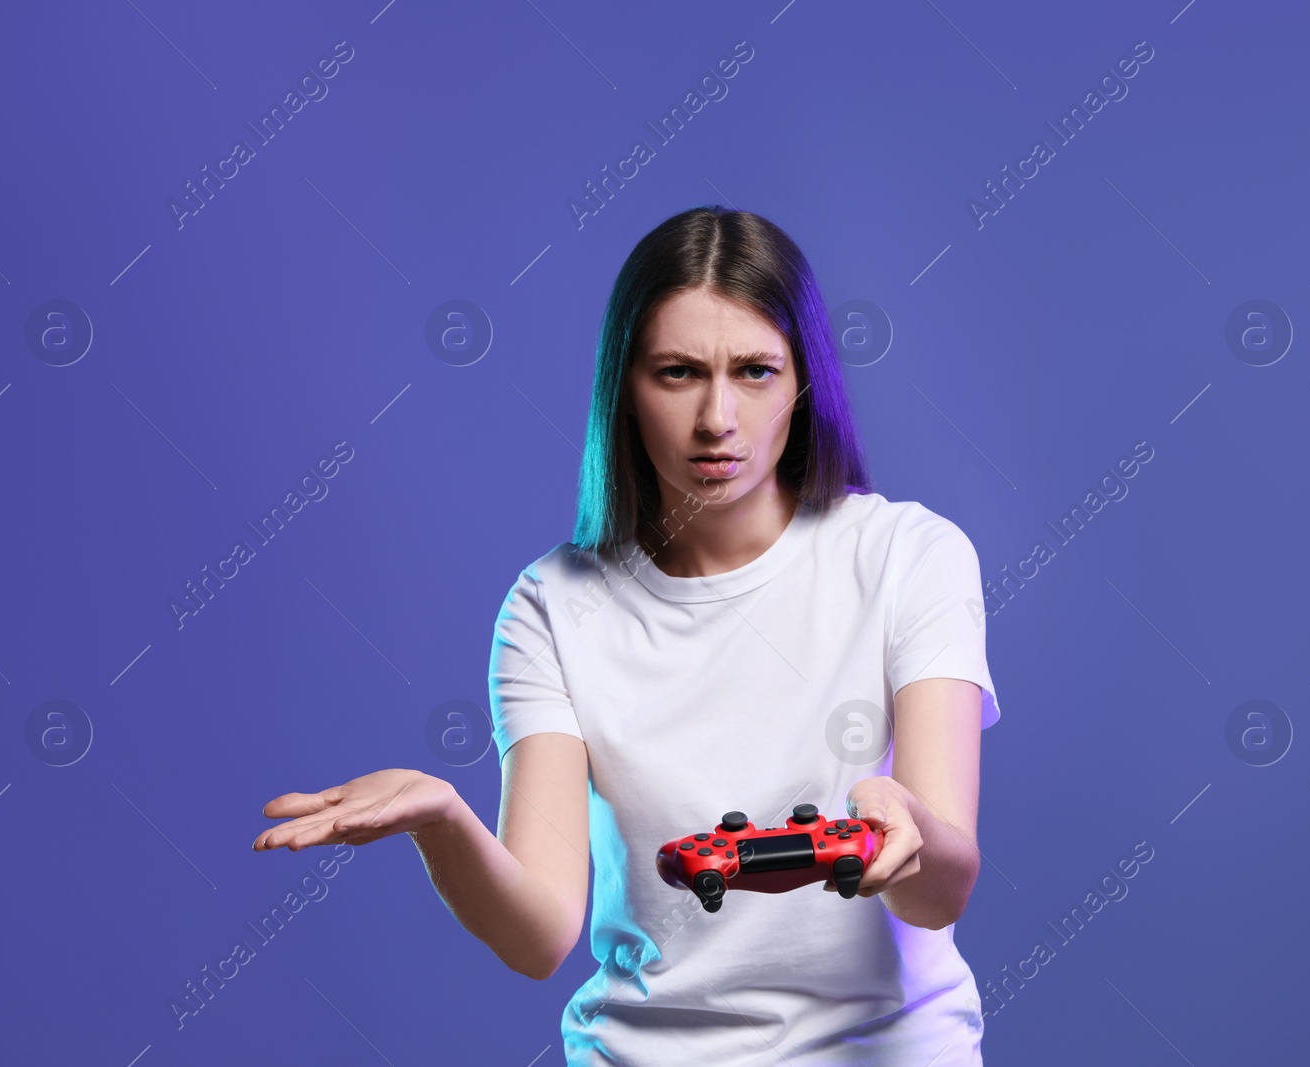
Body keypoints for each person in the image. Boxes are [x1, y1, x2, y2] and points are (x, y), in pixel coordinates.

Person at [252, 205, 1002, 1066]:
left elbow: (939, 894)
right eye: (678, 372)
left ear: (804, 381)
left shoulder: (912, 555)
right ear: (626, 388)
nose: (718, 416)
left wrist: (910, 830)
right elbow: (538, 935)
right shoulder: (550, 604)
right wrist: (442, 820)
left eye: (756, 370)